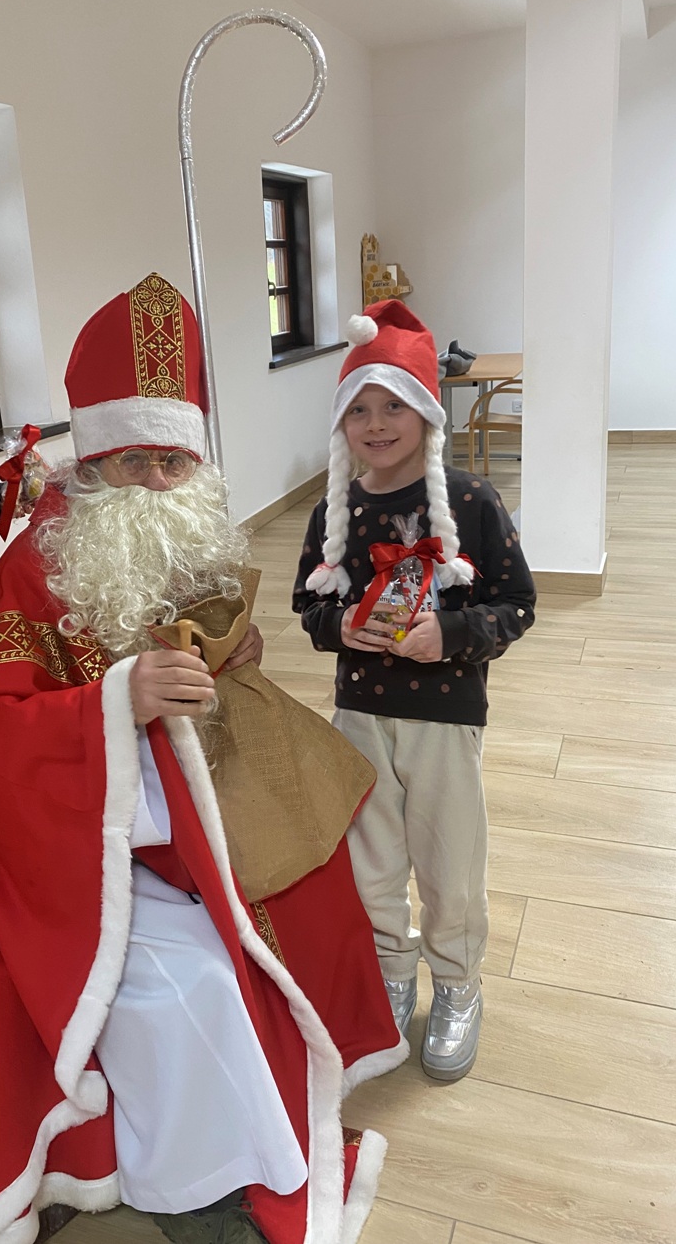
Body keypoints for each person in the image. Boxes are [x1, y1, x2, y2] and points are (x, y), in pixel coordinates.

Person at [0, 273, 404, 1244]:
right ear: (96, 461)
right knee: (196, 986)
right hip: (50, 851)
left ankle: (286, 1109)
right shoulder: (40, 565)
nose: (159, 484)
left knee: (312, 883)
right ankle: (203, 1194)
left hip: (164, 816)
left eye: (175, 461)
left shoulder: (173, 537)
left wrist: (231, 652)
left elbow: (189, 646)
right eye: (136, 460)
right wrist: (116, 702)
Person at [293, 299, 536, 1082]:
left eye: (392, 405)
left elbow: (517, 603)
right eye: (359, 409)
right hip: (359, 716)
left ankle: (457, 985)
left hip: (443, 719)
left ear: (426, 411)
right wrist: (339, 625)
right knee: (370, 863)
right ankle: (391, 977)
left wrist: (451, 634)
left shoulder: (472, 503)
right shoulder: (335, 511)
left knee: (448, 862)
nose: (375, 423)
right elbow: (307, 605)